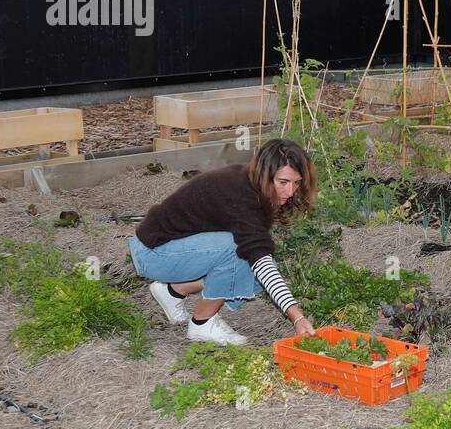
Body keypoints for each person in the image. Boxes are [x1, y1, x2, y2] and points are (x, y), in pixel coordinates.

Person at [128, 138, 318, 345]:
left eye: (296, 183)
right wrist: (296, 316)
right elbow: (258, 258)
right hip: (154, 253)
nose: (290, 192)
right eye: (283, 182)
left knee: (253, 270)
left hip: (170, 248)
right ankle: (202, 324)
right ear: (266, 174)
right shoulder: (242, 196)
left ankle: (173, 291)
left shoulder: (249, 180)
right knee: (238, 251)